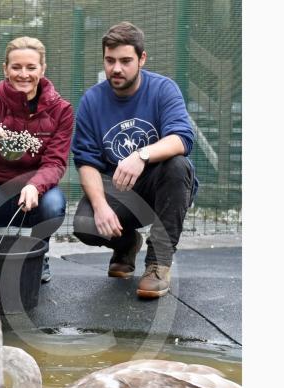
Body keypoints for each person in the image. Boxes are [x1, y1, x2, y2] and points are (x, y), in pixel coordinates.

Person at [71, 21, 197, 298]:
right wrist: (101, 206)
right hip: (120, 191)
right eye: (110, 60)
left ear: (142, 59)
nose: (116, 68)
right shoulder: (92, 101)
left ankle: (158, 263)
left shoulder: (163, 89)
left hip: (162, 188)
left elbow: (182, 139)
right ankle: (127, 243)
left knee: (178, 165)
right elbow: (86, 161)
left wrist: (141, 155)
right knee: (84, 223)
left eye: (126, 61)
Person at [0, 36, 74, 283]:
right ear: (5, 69)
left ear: (43, 69)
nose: (23, 74)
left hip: (33, 196)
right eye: (16, 67)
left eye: (31, 67)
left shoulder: (61, 110)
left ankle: (39, 257)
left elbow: (55, 163)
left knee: (54, 203)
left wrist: (35, 185)